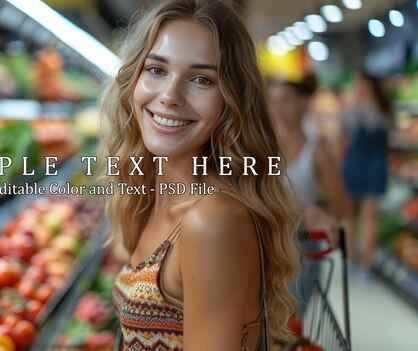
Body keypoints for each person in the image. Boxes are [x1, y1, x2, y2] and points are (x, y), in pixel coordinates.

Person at [98, 1, 302, 350]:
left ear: (232, 101)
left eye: (201, 79)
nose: (170, 96)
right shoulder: (154, 197)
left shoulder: (212, 221)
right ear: (134, 78)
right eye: (157, 70)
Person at [270, 75, 349, 314]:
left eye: (286, 100)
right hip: (267, 240)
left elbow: (342, 204)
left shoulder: (316, 151)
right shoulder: (262, 149)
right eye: (273, 101)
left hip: (302, 245)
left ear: (302, 102)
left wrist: (318, 214)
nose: (278, 108)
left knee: (290, 321)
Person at [340, 71, 391, 281]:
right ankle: (361, 265)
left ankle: (355, 263)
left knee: (357, 216)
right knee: (362, 216)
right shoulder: (384, 108)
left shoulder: (356, 109)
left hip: (360, 161)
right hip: (373, 162)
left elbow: (343, 137)